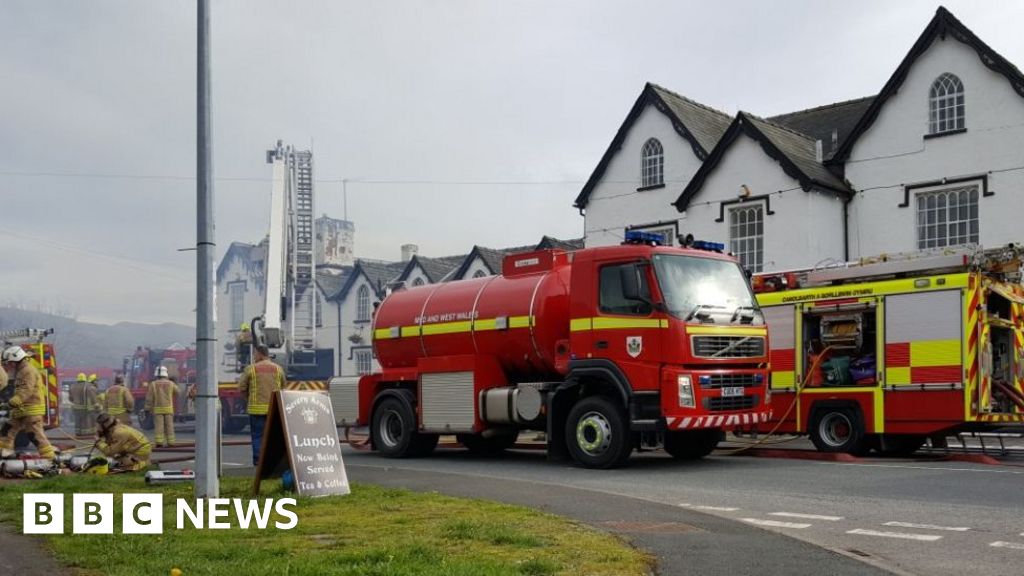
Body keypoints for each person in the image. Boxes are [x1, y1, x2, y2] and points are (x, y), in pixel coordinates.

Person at [0, 346, 56, 459]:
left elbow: (26, 389)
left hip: (31, 410)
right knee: (7, 430)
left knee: (34, 435)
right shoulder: (21, 370)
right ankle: (5, 453)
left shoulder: (27, 371)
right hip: (21, 410)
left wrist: (13, 401)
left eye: (10, 362)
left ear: (17, 359)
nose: (8, 365)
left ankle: (50, 459)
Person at [238, 345, 285, 465]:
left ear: (260, 354)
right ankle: (273, 460)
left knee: (258, 436)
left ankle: (258, 461)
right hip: (274, 409)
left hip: (256, 409)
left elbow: (242, 387)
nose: (254, 356)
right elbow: (283, 387)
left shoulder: (251, 369)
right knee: (273, 436)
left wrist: (248, 399)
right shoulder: (278, 369)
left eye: (255, 354)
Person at [144, 366, 179, 447]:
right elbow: (177, 392)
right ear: (165, 374)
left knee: (159, 427)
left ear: (156, 374)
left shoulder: (153, 384)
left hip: (157, 409)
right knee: (169, 426)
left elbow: (149, 398)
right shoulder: (171, 383)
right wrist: (174, 383)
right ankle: (171, 443)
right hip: (168, 409)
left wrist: (147, 409)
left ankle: (159, 443)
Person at [69, 372, 96, 437]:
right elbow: (92, 397)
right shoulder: (88, 386)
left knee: (77, 421)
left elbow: (70, 398)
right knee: (86, 422)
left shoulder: (72, 386)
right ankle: (86, 433)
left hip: (76, 408)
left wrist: (75, 402)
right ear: (85, 378)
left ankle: (78, 433)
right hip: (85, 407)